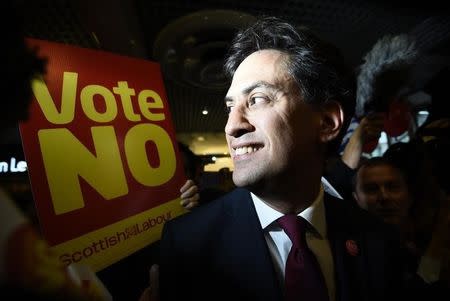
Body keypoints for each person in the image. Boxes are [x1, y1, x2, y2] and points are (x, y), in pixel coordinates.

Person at [147, 16, 404, 301]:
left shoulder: (380, 240)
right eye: (230, 107)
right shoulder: (186, 243)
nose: (232, 126)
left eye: (256, 99)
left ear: (327, 122)